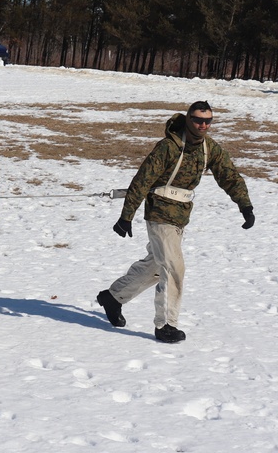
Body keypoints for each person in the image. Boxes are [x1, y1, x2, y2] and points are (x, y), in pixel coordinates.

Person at [97, 101, 255, 343]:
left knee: (156, 268)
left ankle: (113, 297)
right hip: (159, 213)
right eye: (198, 120)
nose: (203, 125)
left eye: (208, 121)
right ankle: (166, 325)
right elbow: (142, 180)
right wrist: (126, 216)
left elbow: (229, 175)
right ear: (188, 119)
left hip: (181, 215)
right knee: (173, 268)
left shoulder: (208, 148)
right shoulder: (168, 147)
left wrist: (245, 205)